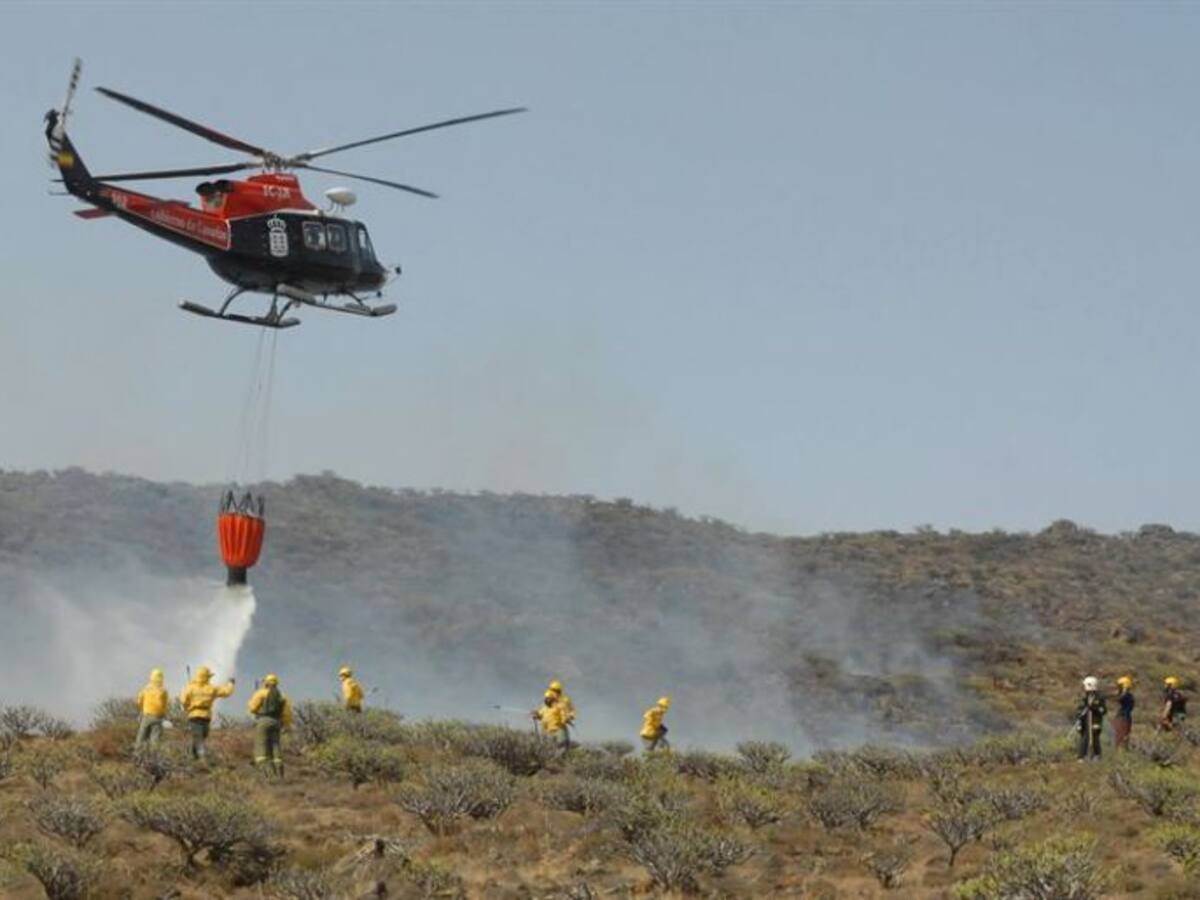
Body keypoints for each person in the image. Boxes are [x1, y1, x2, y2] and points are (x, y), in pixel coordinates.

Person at [179, 666, 235, 760]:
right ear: (206, 677)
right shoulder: (211, 688)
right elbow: (226, 692)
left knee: (199, 736)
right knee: (200, 737)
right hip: (204, 716)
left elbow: (183, 700)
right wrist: (231, 684)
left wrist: (186, 706)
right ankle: (202, 758)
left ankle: (193, 757)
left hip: (195, 716)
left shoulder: (190, 687)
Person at [248, 674, 292, 776]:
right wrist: (285, 725)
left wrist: (253, 700)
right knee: (276, 746)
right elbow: (287, 714)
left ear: (266, 683)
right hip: (277, 723)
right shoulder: (283, 696)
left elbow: (252, 708)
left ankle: (265, 774)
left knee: (261, 746)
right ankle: (279, 773)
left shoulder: (261, 693)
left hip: (263, 721)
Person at [135, 668, 169, 748]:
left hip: (147, 715)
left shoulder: (146, 688)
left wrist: (142, 708)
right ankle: (154, 757)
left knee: (141, 736)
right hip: (158, 716)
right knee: (155, 739)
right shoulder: (163, 690)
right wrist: (163, 714)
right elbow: (166, 704)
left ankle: (138, 754)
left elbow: (139, 700)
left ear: (151, 677)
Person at [1076, 676, 1106, 761]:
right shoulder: (1085, 698)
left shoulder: (1099, 698)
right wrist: (1079, 717)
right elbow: (1080, 709)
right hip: (1085, 722)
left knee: (1094, 738)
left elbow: (1103, 710)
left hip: (1095, 722)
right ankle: (1082, 756)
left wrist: (1094, 707)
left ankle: (1097, 755)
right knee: (1084, 738)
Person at [1114, 675, 1135, 750]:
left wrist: (1123, 690)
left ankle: (1121, 752)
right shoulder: (1129, 696)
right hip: (1124, 717)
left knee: (1120, 737)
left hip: (1123, 718)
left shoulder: (1126, 696)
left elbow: (1119, 698)